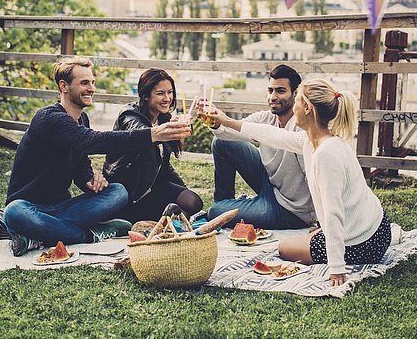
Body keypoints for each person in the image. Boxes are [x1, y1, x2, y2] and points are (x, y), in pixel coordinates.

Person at [208, 78, 391, 286]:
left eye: (297, 99)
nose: (293, 105)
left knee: (284, 248)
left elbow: (333, 213)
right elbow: (272, 135)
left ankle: (333, 245)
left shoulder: (326, 154)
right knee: (302, 240)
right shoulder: (313, 141)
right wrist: (226, 121)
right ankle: (328, 237)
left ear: (307, 107)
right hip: (375, 226)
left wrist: (337, 268)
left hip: (365, 242)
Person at [3, 57, 191, 257]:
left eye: (92, 82)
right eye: (84, 83)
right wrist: (153, 134)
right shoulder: (49, 118)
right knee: (13, 212)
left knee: (118, 192)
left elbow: (81, 163)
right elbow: (92, 141)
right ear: (63, 86)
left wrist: (89, 180)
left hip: (64, 208)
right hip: (28, 207)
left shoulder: (82, 119)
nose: (91, 88)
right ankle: (88, 235)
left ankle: (38, 235)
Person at [205, 65, 315, 229]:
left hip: (289, 210)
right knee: (222, 142)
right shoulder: (265, 117)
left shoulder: (302, 127)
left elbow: (315, 179)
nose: (273, 96)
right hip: (269, 183)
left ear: (295, 94)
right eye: (270, 90)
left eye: (280, 91)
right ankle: (224, 203)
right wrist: (215, 123)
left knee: (214, 211)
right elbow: (230, 133)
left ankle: (223, 210)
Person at [103, 68, 203, 223]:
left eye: (170, 92)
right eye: (160, 93)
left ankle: (165, 218)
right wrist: (164, 131)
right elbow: (139, 133)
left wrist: (183, 189)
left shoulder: (164, 118)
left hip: (153, 187)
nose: (167, 98)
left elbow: (163, 164)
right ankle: (130, 220)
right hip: (130, 194)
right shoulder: (129, 115)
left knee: (194, 202)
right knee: (180, 214)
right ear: (146, 95)